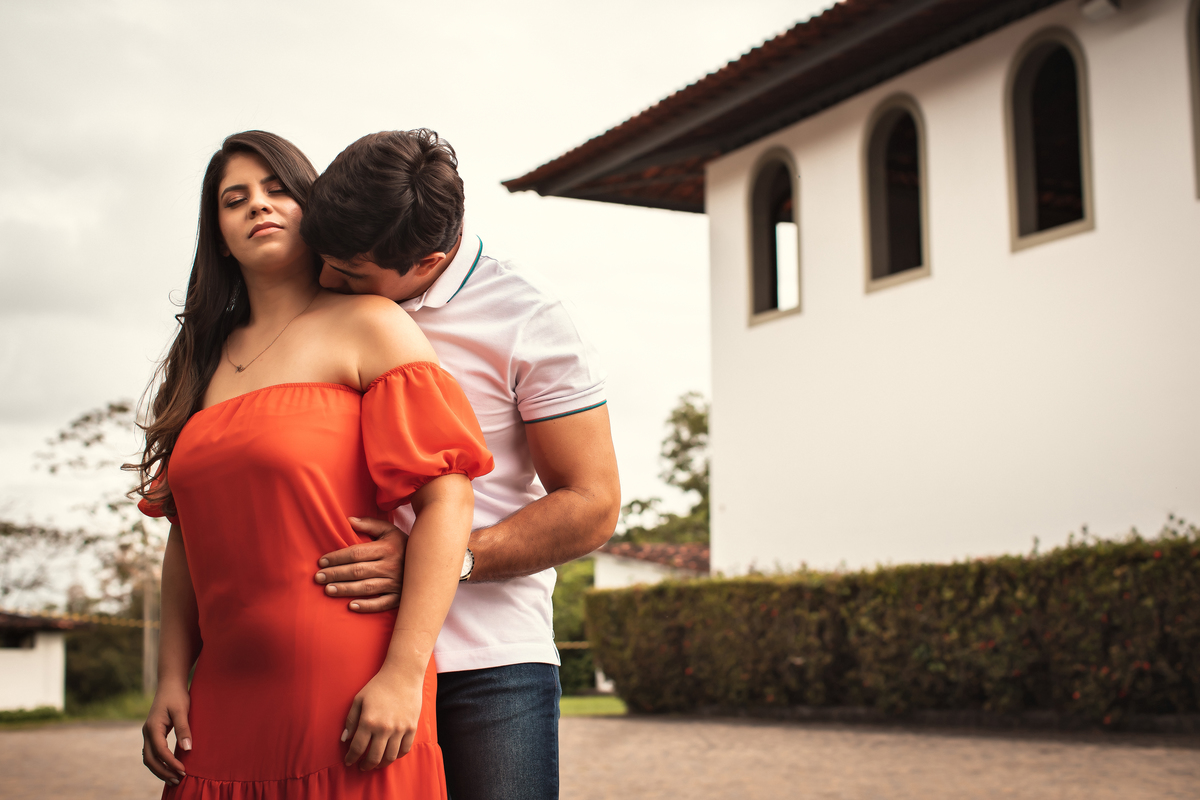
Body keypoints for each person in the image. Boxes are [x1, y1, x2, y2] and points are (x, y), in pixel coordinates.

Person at [133, 130, 493, 799]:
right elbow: (187, 539)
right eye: (233, 199)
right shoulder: (200, 361)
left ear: (311, 207)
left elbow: (449, 499)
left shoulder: (371, 324)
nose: (257, 207)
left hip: (352, 689)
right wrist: (169, 680)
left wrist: (403, 674)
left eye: (277, 190)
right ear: (217, 231)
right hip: (222, 700)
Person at [300, 129, 622, 800]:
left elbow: (592, 503)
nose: (327, 282)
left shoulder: (530, 320)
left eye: (352, 275)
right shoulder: (313, 295)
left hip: (487, 665)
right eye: (323, 261)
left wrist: (443, 558)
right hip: (331, 650)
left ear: (430, 260)